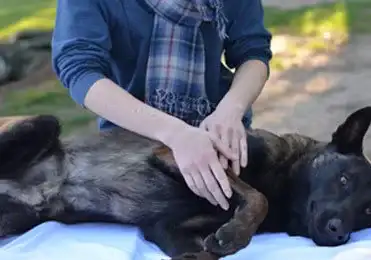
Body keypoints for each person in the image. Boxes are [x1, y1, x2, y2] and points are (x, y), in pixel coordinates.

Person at [51, 0, 272, 211]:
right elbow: (80, 69)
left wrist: (230, 111)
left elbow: (253, 53)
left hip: (220, 143)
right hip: (132, 151)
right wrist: (177, 134)